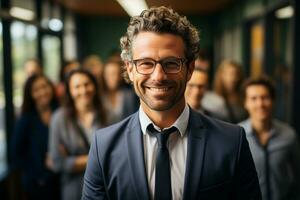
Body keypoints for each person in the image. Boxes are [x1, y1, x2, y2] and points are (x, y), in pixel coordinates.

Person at [82, 6, 261, 200]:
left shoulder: (231, 142)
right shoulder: (104, 147)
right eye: (145, 63)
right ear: (130, 69)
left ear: (190, 68)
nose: (158, 76)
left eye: (171, 63)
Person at [48, 69, 106, 200]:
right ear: (69, 91)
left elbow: (117, 156)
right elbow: (57, 162)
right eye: (77, 87)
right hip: (73, 190)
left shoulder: (108, 114)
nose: (84, 90)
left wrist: (74, 160)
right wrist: (99, 158)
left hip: (105, 189)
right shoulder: (59, 119)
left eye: (87, 84)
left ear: (95, 86)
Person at [239, 76, 300, 200]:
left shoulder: (289, 135)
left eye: (265, 97)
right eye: (253, 98)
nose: (260, 104)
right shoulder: (236, 136)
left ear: (273, 100)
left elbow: (297, 176)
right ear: (245, 103)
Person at [11, 74, 60, 200]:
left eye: (45, 86)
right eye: (36, 90)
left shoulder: (61, 112)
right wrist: (37, 175)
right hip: (38, 185)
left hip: (63, 179)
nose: (42, 92)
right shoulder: (25, 120)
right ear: (30, 94)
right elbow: (16, 154)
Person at [102, 58, 138, 124]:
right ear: (104, 75)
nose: (114, 77)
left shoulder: (130, 95)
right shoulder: (100, 96)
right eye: (110, 74)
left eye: (116, 73)